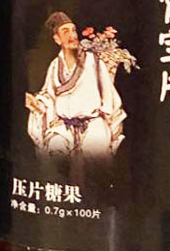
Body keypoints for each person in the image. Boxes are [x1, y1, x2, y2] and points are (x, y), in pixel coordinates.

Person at [26, 11, 126, 158]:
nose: (72, 35)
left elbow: (110, 98)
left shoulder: (94, 62)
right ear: (57, 39)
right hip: (64, 129)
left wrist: (113, 128)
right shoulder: (55, 65)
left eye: (73, 30)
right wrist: (36, 104)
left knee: (95, 158)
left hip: (93, 126)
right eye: (65, 31)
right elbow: (49, 97)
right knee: (54, 150)